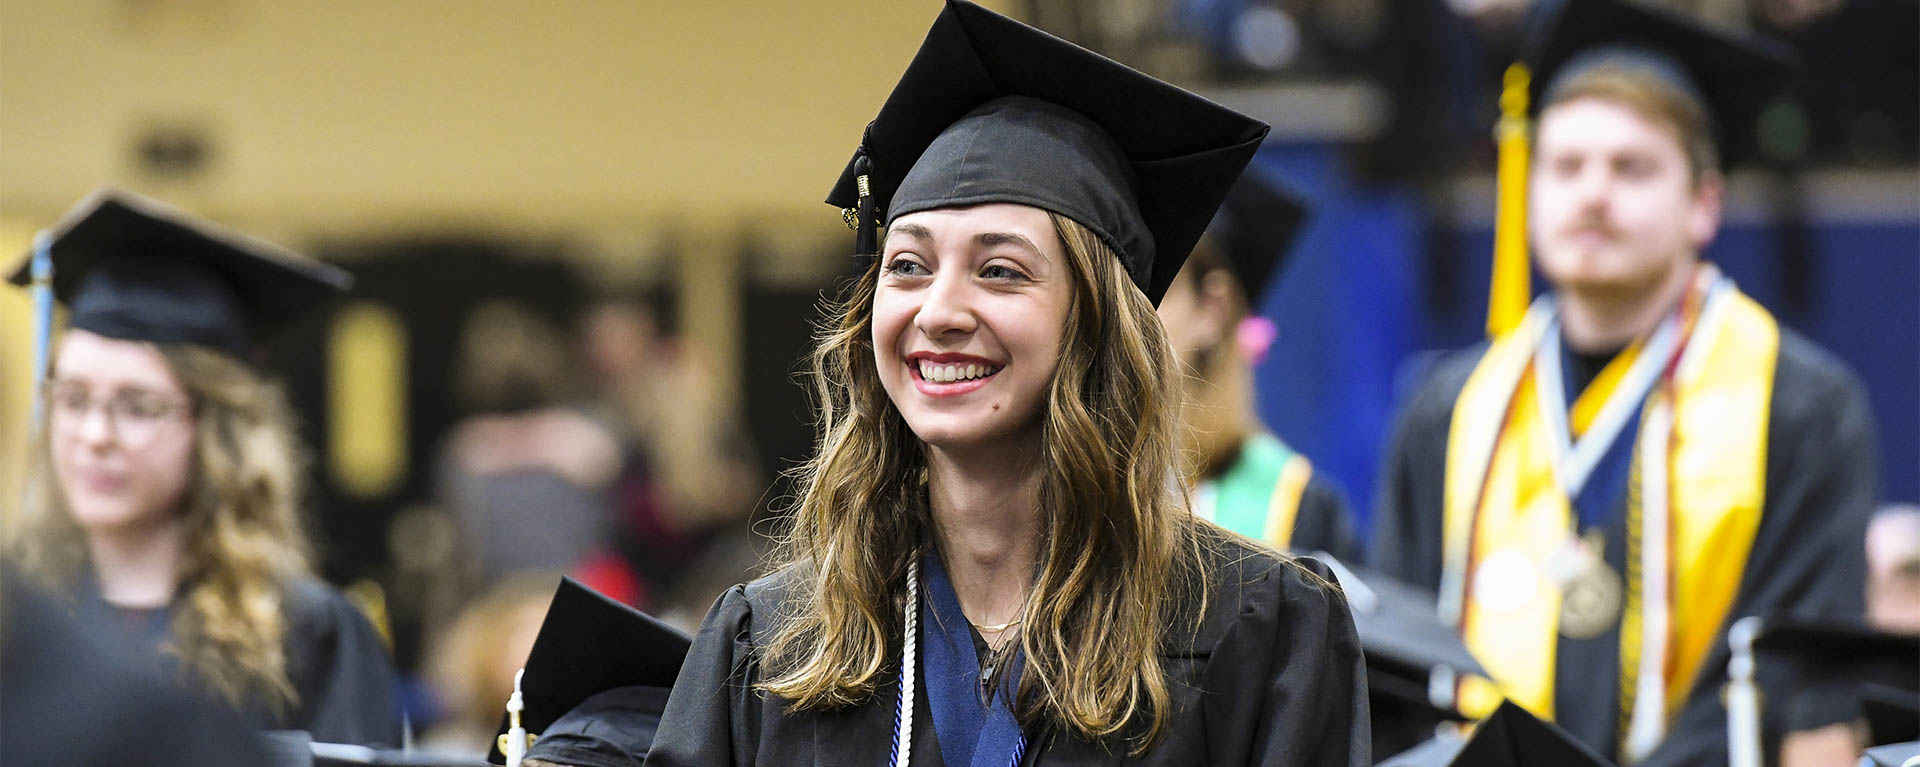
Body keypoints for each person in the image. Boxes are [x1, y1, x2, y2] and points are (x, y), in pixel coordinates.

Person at [642, 2, 1369, 765]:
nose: (940, 311)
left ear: (1098, 324)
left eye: (1000, 270)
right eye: (909, 265)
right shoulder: (775, 644)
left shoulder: (1253, 628)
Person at [1371, 0, 1880, 764]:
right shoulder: (1444, 409)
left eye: (1632, 167)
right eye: (1567, 165)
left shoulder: (1800, 405)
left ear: (1704, 204)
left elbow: (1809, 695)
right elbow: (1395, 671)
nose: (1594, 193)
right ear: (1530, 186)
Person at [4, 189, 404, 745]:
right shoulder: (19, 624)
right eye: (72, 399)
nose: (95, 436)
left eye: (138, 407)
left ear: (216, 430)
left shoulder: (310, 634)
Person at [1157, 169, 1363, 562]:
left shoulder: (1295, 507)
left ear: (1212, 308)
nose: (1124, 316)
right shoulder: (1041, 485)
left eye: (1153, 288)